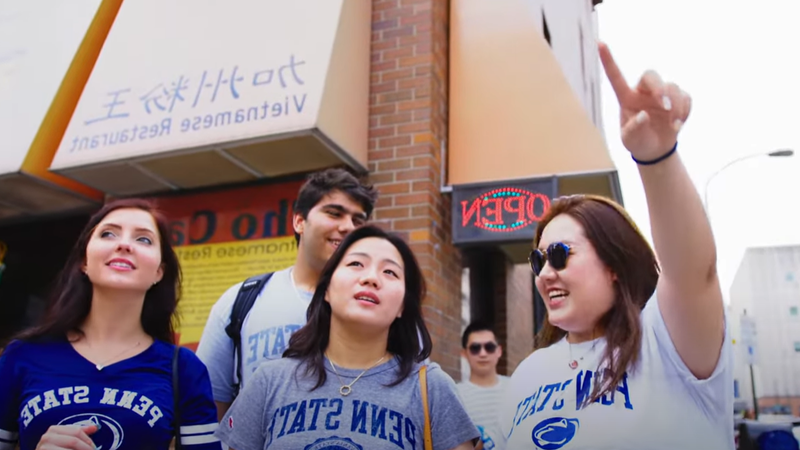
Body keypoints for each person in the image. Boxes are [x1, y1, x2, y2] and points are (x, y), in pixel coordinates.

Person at [499, 43, 733, 449]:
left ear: (614, 265)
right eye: (538, 260)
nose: (546, 273)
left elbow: (695, 273)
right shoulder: (527, 375)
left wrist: (656, 157)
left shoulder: (666, 342)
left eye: (560, 255)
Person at [214, 225, 481, 449]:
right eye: (356, 264)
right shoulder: (269, 381)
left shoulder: (431, 388)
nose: (371, 278)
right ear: (327, 289)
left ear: (402, 306)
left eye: (390, 272)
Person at [0, 199, 221, 450]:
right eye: (108, 234)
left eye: (144, 239)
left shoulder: (183, 369)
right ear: (84, 261)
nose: (124, 244)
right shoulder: (22, 356)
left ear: (159, 272)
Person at [196, 168, 378, 420]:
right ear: (299, 221)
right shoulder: (241, 301)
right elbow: (209, 409)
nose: (347, 227)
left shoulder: (382, 307)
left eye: (358, 221)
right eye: (334, 213)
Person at [457, 323, 509, 450]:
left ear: (499, 351)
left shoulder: (517, 388)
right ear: (464, 353)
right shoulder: (454, 395)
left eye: (489, 347)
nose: (483, 353)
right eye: (475, 348)